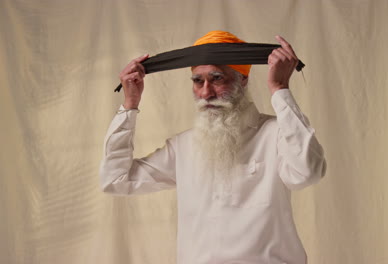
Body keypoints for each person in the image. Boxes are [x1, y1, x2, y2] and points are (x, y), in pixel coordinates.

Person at [100, 30, 327, 264]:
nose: (206, 93)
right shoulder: (183, 146)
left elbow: (307, 173)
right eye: (198, 81)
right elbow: (115, 179)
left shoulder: (277, 132)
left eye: (217, 78)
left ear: (243, 79)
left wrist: (280, 89)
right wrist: (130, 105)